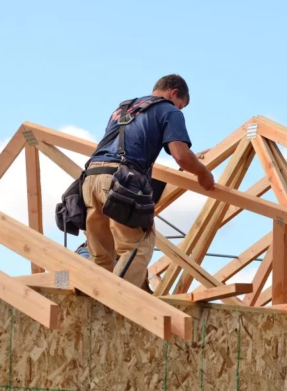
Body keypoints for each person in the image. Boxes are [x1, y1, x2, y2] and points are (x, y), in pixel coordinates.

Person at [82, 74, 214, 289]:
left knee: (102, 254)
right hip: (121, 180)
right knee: (137, 246)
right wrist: (202, 173)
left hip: (91, 178)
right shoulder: (169, 110)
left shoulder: (124, 109)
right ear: (174, 93)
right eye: (181, 105)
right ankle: (118, 303)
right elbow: (180, 154)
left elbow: (131, 143)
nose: (179, 110)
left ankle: (95, 304)